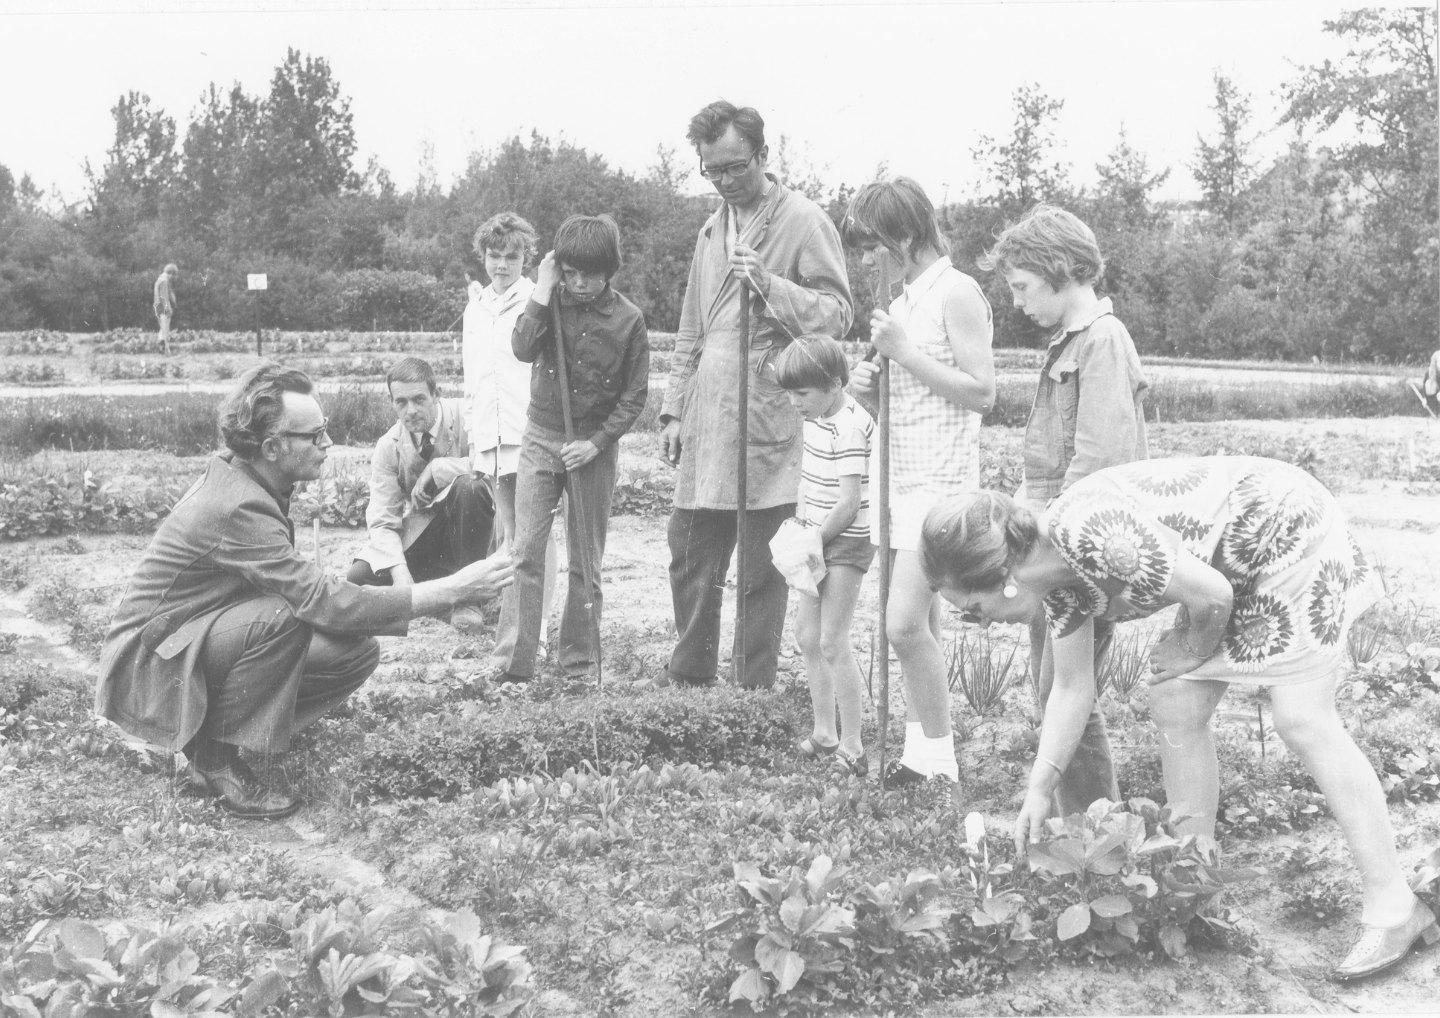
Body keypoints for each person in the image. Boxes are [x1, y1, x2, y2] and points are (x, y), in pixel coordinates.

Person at [920, 457, 1438, 983]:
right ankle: (1196, 887)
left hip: (1283, 527)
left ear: (1003, 577)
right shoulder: (1058, 582)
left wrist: (1189, 647)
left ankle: (1395, 907)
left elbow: (1211, 595)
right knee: (1177, 706)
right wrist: (1039, 785)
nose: (980, 624)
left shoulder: (1088, 534)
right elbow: (1072, 689)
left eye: (973, 609)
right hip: (1234, 560)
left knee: (1302, 718)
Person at [95, 363, 513, 820]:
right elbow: (320, 600)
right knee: (287, 616)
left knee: (352, 652)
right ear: (272, 447)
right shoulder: (238, 505)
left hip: (182, 645)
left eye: (325, 431)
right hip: (148, 666)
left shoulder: (250, 478)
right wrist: (450, 591)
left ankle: (239, 732)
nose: (328, 444)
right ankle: (211, 758)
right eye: (315, 436)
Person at [660, 99, 853, 690]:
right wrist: (672, 408)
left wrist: (770, 284)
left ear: (764, 155)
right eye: (711, 170)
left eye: (734, 167)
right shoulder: (711, 227)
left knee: (761, 566)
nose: (723, 181)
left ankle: (752, 687)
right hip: (708, 416)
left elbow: (838, 317)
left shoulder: (804, 220)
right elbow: (691, 326)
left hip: (769, 414)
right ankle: (689, 678)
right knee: (690, 552)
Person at [977, 203, 1149, 815]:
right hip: (1052, 546)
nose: (1018, 303)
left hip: (1080, 550)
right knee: (1056, 688)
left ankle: (1095, 830)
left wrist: (1041, 546)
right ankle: (1078, 822)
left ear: (1058, 270)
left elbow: (1099, 464)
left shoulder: (1104, 341)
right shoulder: (1069, 343)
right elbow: (1044, 470)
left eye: (1022, 287)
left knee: (1064, 689)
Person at [845, 176, 995, 788]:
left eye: (870, 246)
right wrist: (871, 390)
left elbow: (982, 393)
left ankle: (941, 760)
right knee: (920, 626)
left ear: (904, 237)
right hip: (897, 478)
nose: (863, 260)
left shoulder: (958, 293)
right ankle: (921, 754)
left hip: (940, 485)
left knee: (902, 624)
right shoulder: (902, 303)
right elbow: (911, 401)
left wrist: (904, 354)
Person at [502, 214, 649, 683]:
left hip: (592, 448)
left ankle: (579, 666)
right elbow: (522, 348)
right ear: (558, 268)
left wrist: (596, 443)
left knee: (586, 561)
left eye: (590, 273)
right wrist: (542, 290)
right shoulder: (548, 302)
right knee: (526, 552)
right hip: (541, 439)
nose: (580, 283)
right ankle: (515, 664)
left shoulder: (629, 320)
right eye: (570, 272)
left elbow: (635, 396)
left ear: (610, 270)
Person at [462, 212, 561, 665]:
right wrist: (472, 438)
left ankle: (533, 633)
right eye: (494, 255)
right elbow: (472, 379)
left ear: (527, 258)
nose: (502, 265)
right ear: (483, 256)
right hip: (490, 437)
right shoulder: (475, 306)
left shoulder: (537, 300)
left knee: (535, 537)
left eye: (512, 256)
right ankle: (519, 628)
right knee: (512, 536)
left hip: (530, 433)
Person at [775, 335, 876, 776]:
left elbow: (849, 502)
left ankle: (853, 744)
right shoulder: (816, 417)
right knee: (807, 636)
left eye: (803, 394)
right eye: (791, 394)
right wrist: (801, 529)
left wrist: (814, 539)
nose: (796, 403)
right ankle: (823, 732)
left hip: (845, 540)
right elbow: (810, 480)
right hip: (815, 537)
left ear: (835, 384)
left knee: (833, 639)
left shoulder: (851, 424)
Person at [347, 356, 497, 635]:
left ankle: (469, 601)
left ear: (436, 394)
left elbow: (494, 470)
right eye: (400, 402)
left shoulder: (468, 418)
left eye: (419, 399)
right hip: (428, 534)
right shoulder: (388, 446)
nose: (410, 410)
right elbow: (382, 521)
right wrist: (400, 574)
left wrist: (440, 468)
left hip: (476, 536)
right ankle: (435, 590)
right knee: (358, 578)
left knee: (470, 486)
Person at [153, 263, 178, 356]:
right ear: (171, 273)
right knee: (165, 328)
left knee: (163, 328)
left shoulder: (160, 279)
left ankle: (162, 347)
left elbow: (169, 292)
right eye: (174, 275)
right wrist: (168, 309)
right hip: (163, 307)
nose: (174, 278)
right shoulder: (164, 281)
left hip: (158, 306)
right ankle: (166, 350)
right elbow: (164, 297)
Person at [1409, 347, 1440, 417]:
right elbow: (1424, 386)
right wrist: (1424, 399)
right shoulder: (1429, 373)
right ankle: (1435, 411)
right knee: (1429, 384)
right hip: (1434, 398)